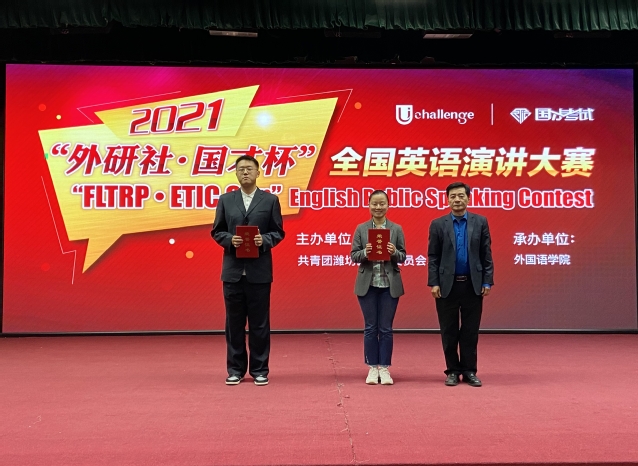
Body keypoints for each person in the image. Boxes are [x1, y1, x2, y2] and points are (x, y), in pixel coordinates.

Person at [211, 155, 285, 386]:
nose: (245, 172)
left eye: (249, 169)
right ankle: (235, 370)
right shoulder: (226, 200)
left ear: (257, 172)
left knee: (259, 324)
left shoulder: (270, 200)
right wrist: (229, 240)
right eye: (241, 169)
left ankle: (260, 370)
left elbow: (278, 232)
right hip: (233, 272)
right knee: (233, 324)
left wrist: (264, 240)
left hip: (259, 272)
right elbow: (217, 231)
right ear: (236, 173)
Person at [427, 181, 494, 387]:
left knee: (470, 331)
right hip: (446, 285)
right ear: (447, 200)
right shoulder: (438, 224)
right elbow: (433, 256)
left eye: (461, 196)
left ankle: (469, 370)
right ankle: (452, 371)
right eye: (453, 196)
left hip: (473, 284)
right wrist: (434, 283)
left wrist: (487, 281)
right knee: (449, 331)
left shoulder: (480, 222)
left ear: (468, 198)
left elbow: (486, 253)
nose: (457, 200)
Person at [351, 190, 406, 385]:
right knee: (370, 327)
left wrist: (394, 252)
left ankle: (385, 368)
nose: (378, 207)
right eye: (374, 203)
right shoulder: (361, 228)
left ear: (388, 205)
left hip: (389, 285)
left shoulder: (396, 229)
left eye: (382, 203)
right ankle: (372, 368)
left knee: (386, 328)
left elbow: (403, 256)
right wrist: (365, 252)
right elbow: (354, 255)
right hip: (367, 285)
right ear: (369, 205)